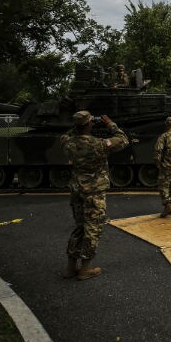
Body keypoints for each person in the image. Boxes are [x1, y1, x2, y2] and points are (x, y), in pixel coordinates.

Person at [60, 111, 129, 280]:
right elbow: (123, 139)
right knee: (93, 229)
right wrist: (110, 123)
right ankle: (84, 270)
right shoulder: (99, 144)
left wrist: (78, 124)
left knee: (79, 227)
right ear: (90, 124)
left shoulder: (68, 143)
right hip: (94, 193)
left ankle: (70, 268)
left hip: (77, 192)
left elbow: (66, 135)